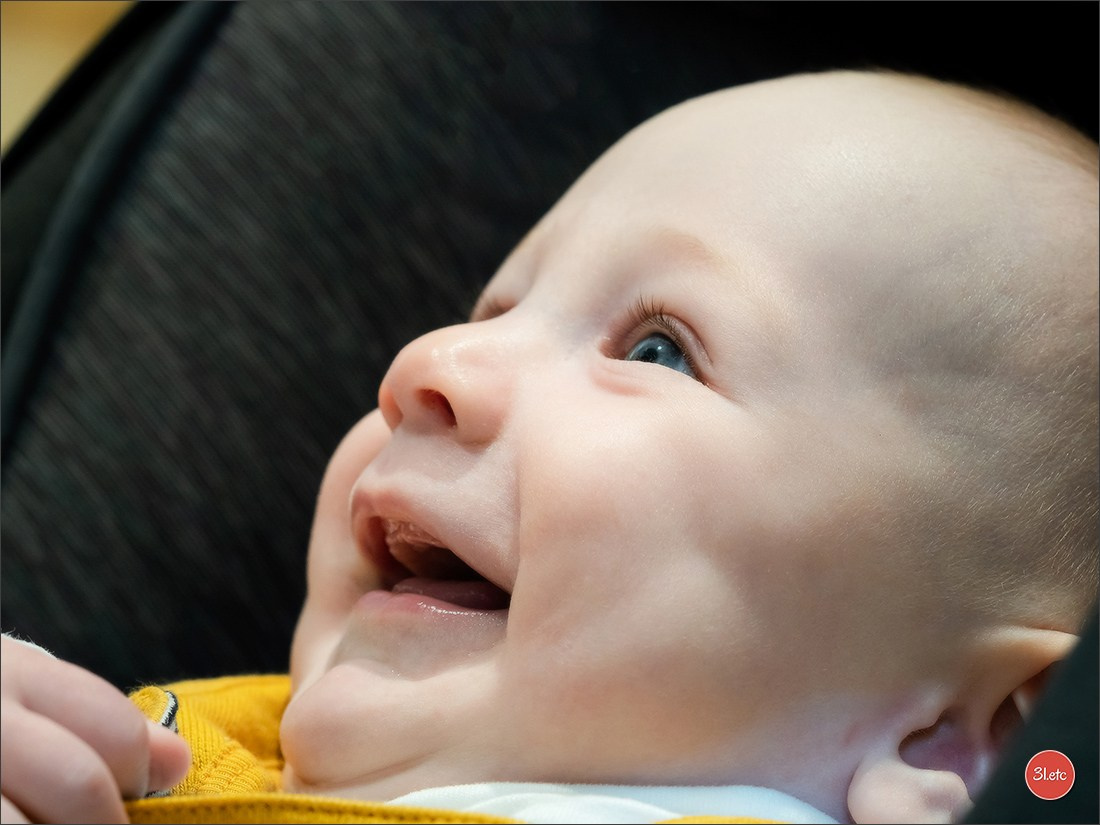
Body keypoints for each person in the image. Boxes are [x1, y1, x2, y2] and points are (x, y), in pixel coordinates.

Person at [2, 69, 1096, 825]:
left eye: (658, 350)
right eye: (490, 311)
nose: (429, 361)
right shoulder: (137, 750)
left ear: (969, 741)